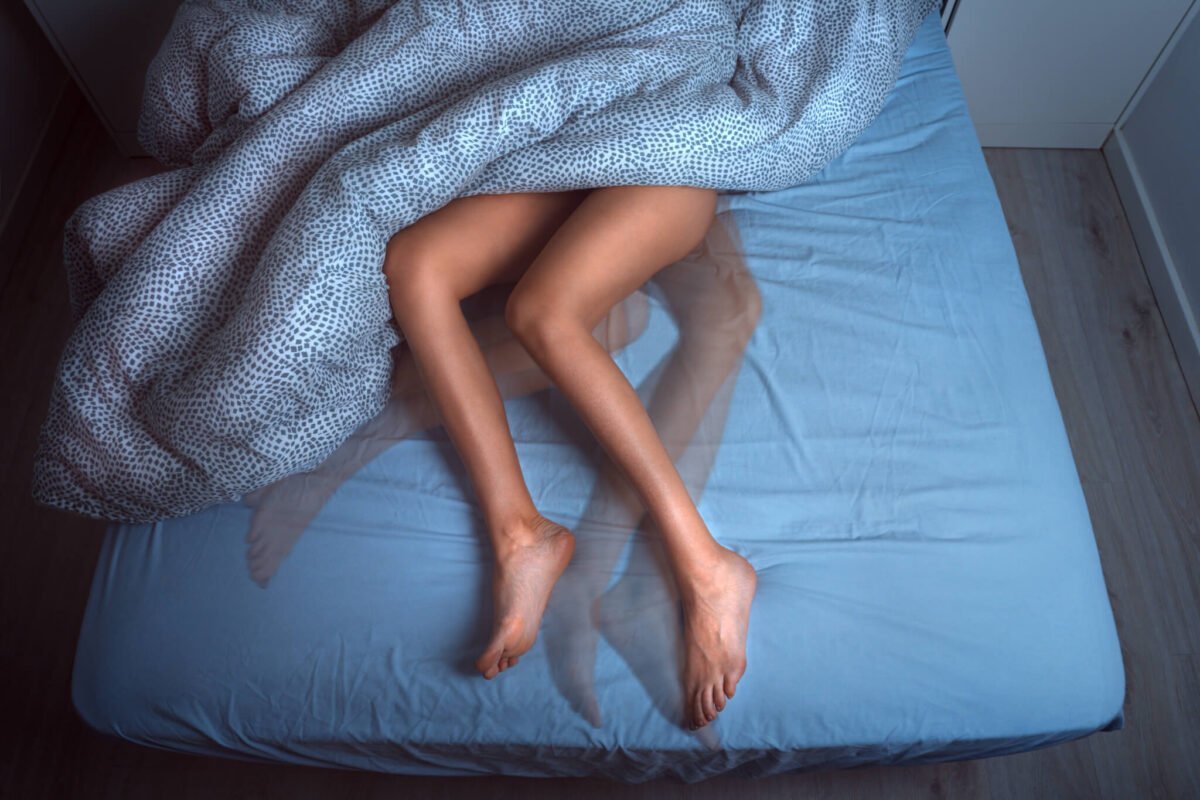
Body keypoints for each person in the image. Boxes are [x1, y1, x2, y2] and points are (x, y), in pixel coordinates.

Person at [379, 184, 756, 732]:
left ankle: (706, 565)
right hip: (571, 166)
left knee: (542, 312)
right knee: (414, 263)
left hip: (663, 165)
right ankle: (519, 533)